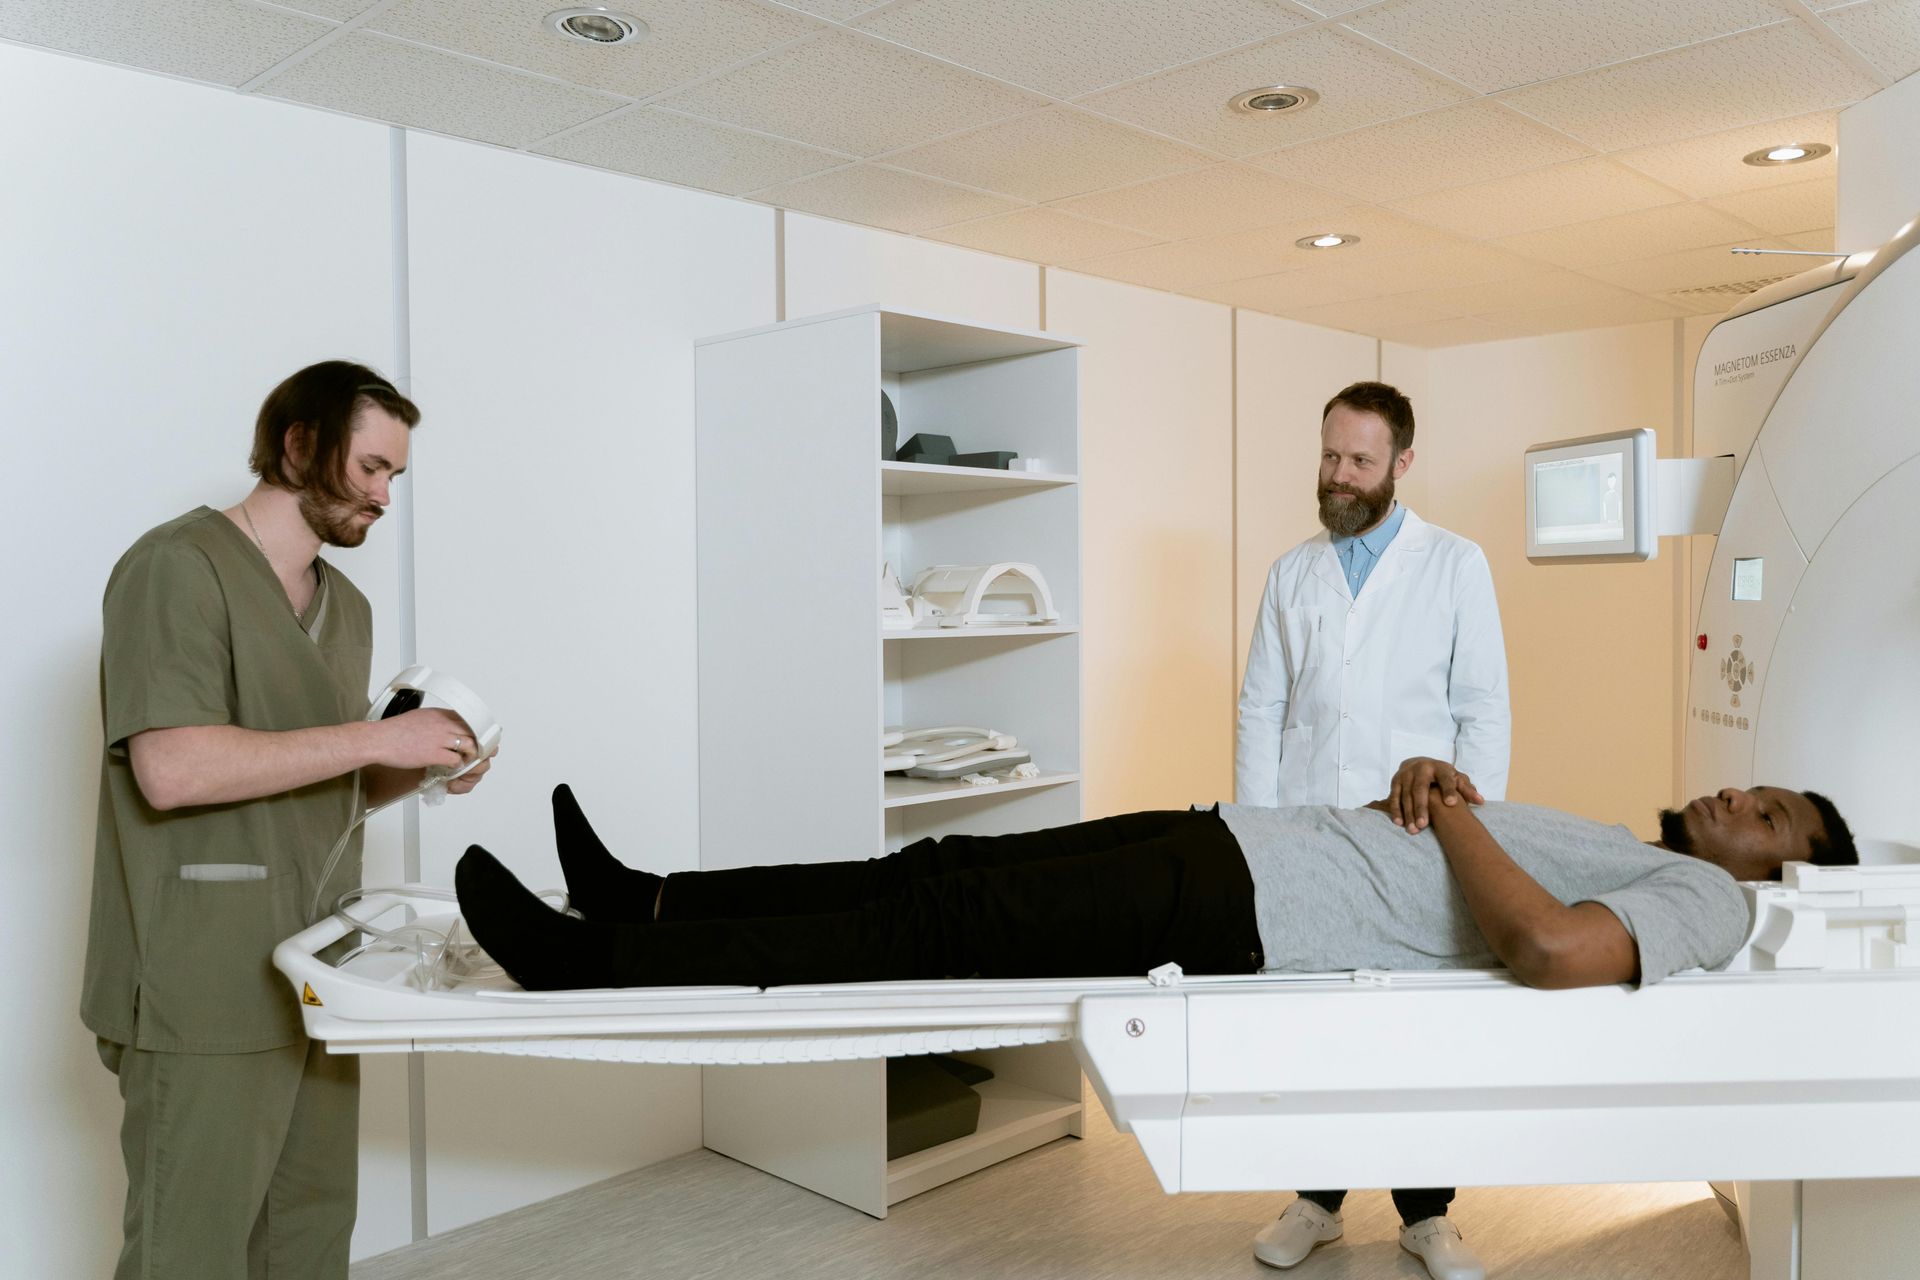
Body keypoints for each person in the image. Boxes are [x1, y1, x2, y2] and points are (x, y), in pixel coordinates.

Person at [82, 361, 496, 1280]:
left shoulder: (345, 605)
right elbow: (172, 768)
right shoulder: (173, 570)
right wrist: (370, 736)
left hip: (319, 968)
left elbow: (328, 787)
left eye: (396, 476)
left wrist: (422, 769)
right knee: (188, 1250)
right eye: (371, 468)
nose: (385, 496)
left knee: (310, 1233)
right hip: (201, 975)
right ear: (300, 445)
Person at [457, 763, 1855, 998]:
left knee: (933, 926)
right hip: (1237, 838)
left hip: (1245, 914)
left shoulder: (1714, 910)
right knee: (932, 865)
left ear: (1785, 867)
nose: (1745, 796)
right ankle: (643, 896)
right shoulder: (1645, 840)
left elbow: (1549, 952)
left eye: (1774, 811)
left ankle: (586, 960)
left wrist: (1443, 802)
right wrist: (1417, 789)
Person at [1235, 380, 1511, 1278]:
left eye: (1359, 460)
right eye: (1329, 456)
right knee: (1316, 1023)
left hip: (1418, 837)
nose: (1339, 475)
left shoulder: (1455, 564)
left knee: (1420, 1029)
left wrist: (1475, 836)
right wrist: (1258, 833)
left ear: (1403, 463)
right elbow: (1261, 712)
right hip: (1310, 833)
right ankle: (1318, 1201)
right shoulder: (1291, 573)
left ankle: (1428, 1216)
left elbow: (1483, 711)